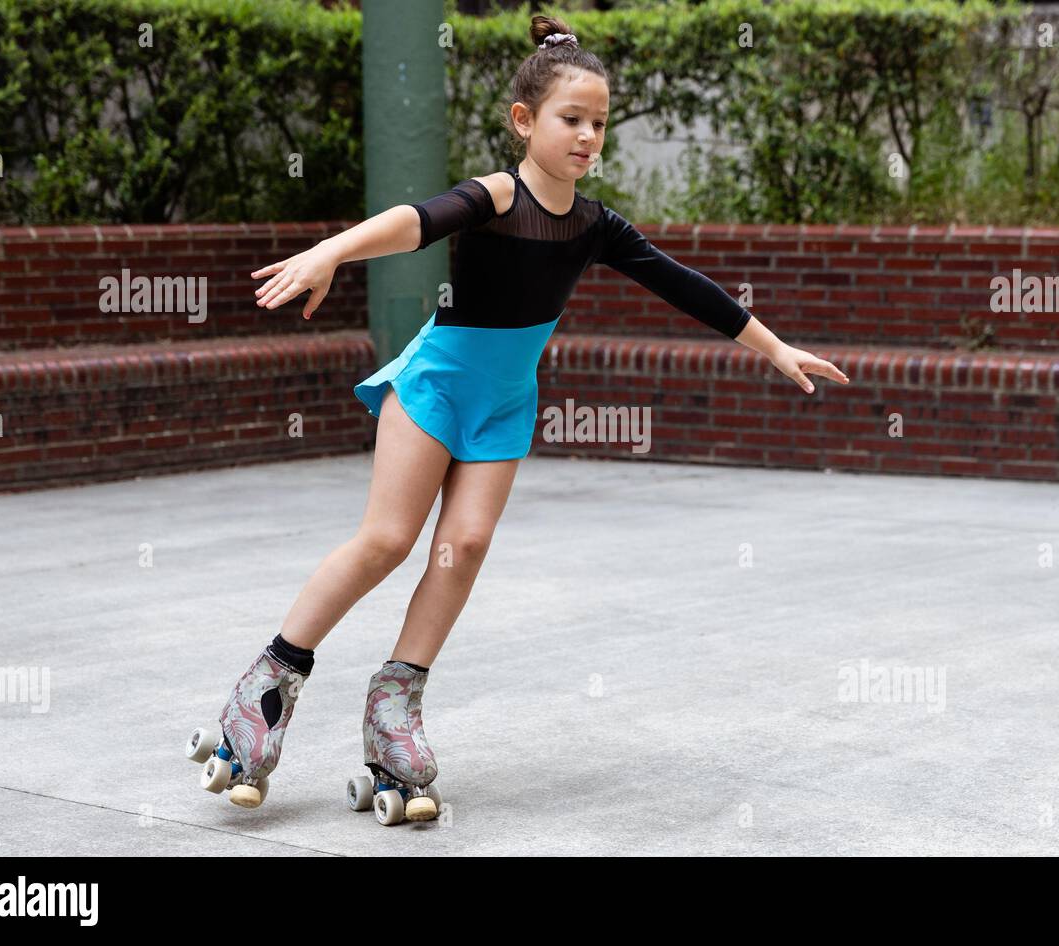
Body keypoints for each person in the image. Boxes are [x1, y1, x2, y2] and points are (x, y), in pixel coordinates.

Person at [195, 15, 850, 818]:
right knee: (388, 541)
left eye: (599, 123)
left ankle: (394, 710)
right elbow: (415, 221)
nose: (587, 136)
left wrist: (773, 347)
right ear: (525, 122)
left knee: (462, 547)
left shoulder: (594, 224)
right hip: (437, 386)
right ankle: (265, 691)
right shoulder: (498, 196)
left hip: (506, 402)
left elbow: (680, 282)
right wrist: (333, 250)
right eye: (571, 119)